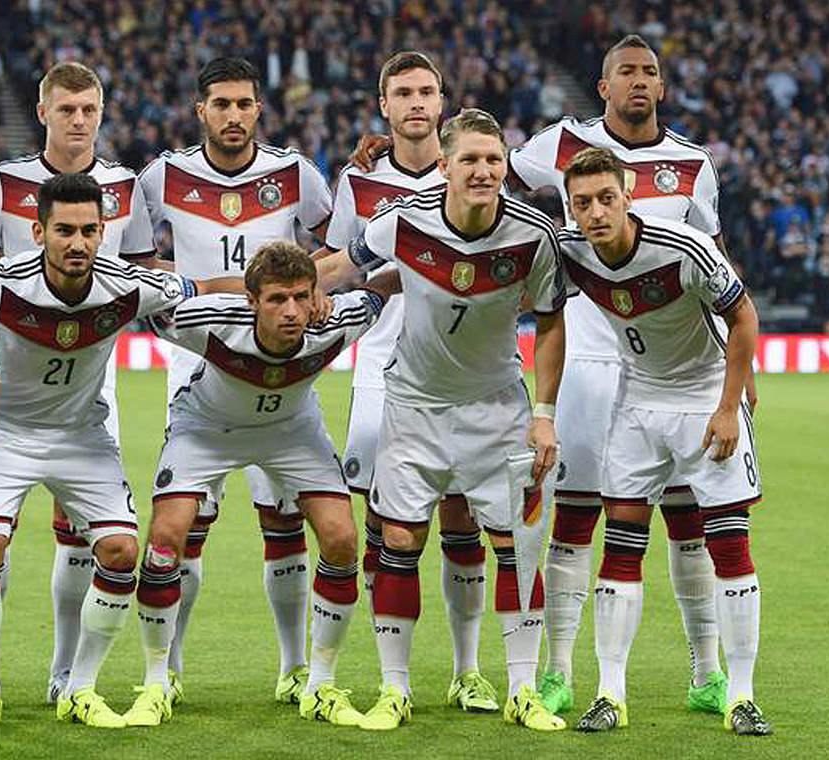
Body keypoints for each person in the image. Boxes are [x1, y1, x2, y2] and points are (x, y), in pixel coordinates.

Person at [0, 172, 243, 729]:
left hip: (82, 435)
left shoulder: (126, 285)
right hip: (4, 433)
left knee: (122, 554)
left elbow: (201, 289)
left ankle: (79, 686)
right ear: (38, 231)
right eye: (64, 231)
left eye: (88, 230)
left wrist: (272, 282)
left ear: (104, 232)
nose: (77, 243)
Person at [505, 34, 740, 715]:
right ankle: (558, 673)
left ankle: (706, 673)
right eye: (625, 73)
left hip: (672, 370)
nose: (639, 81)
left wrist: (733, 367)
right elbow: (489, 185)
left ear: (662, 88)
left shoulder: (692, 164)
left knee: (686, 517)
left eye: (650, 73)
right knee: (575, 516)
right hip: (584, 354)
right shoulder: (556, 145)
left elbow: (716, 259)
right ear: (602, 87)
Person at [317, 109, 567, 732]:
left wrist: (544, 415)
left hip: (498, 410)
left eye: (494, 160)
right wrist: (271, 288)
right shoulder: (402, 219)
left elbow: (552, 318)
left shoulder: (533, 234)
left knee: (514, 548)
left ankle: (522, 689)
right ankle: (394, 689)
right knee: (398, 541)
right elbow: (340, 266)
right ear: (446, 166)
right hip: (414, 407)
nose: (484, 171)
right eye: (471, 160)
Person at [123, 241, 394, 727]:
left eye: (300, 297)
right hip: (207, 429)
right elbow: (154, 303)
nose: (291, 311)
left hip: (292, 431)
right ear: (252, 302)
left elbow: (383, 286)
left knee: (342, 537)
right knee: (164, 540)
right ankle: (156, 681)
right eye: (275, 299)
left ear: (316, 297)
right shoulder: (208, 323)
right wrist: (208, 285)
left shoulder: (338, 319)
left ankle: (320, 684)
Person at [136, 56, 334, 703]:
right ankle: (169, 670)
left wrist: (315, 293)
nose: (232, 115)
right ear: (200, 110)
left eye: (243, 104)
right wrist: (211, 289)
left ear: (258, 109)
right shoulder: (162, 177)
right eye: (220, 104)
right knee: (186, 529)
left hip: (278, 370)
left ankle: (293, 667)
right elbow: (139, 268)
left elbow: (337, 251)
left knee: (283, 521)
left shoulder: (295, 174)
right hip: (198, 370)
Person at [557, 147, 771, 736]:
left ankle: (742, 695)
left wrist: (729, 408)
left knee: (728, 547)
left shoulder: (684, 247)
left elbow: (744, 316)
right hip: (635, 404)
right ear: (570, 210)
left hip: (704, 402)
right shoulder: (571, 253)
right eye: (583, 203)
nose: (596, 212)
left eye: (606, 198)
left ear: (628, 196)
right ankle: (609, 692)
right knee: (622, 544)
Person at [0, 61, 156, 705]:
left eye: (89, 111)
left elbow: (147, 278)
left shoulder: (127, 186)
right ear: (42, 112)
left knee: (85, 536)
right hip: (11, 382)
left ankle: (67, 673)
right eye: (67, 110)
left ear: (102, 114)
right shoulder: (7, 180)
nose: (79, 122)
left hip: (88, 391)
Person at [327, 51, 502, 713]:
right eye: (403, 92)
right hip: (380, 366)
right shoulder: (359, 181)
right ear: (386, 105)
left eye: (427, 90)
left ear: (443, 101)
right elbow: (341, 263)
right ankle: (388, 677)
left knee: (461, 520)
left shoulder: (474, 172)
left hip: (460, 369)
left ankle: (467, 670)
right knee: (383, 524)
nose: (417, 103)